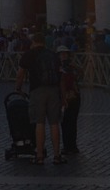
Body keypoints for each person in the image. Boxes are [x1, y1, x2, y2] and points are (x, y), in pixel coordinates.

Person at [16, 32, 64, 164]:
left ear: (33, 42)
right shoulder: (53, 55)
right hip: (54, 90)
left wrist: (18, 88)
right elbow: (60, 74)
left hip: (37, 90)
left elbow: (20, 74)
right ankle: (56, 155)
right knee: (54, 123)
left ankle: (40, 155)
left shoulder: (29, 54)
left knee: (40, 122)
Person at [58, 43, 80, 155]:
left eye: (64, 54)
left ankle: (70, 145)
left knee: (69, 121)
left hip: (70, 96)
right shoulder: (67, 67)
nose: (63, 56)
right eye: (61, 54)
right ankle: (70, 145)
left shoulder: (67, 67)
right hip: (70, 95)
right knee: (67, 122)